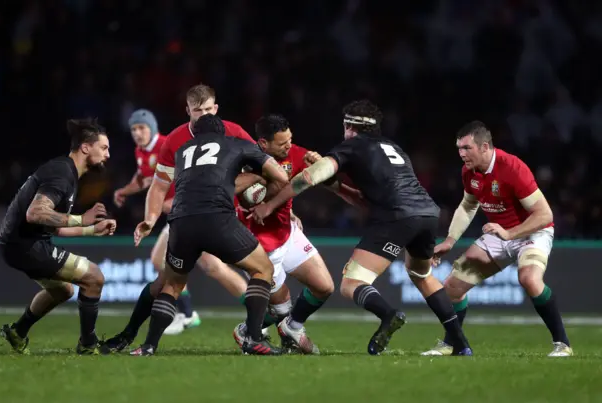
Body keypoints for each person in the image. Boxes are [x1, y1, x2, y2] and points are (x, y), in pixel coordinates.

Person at [250, 100, 472, 356]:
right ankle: (461, 344)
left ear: (349, 126)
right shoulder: (394, 148)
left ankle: (388, 315)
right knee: (422, 276)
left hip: (396, 217)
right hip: (428, 213)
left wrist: (271, 206)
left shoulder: (351, 147)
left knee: (352, 283)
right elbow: (363, 195)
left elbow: (308, 178)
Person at [103, 84, 259, 352]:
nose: (205, 115)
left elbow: (263, 166)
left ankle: (251, 321)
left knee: (209, 270)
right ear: (188, 111)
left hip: (217, 214)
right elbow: (157, 185)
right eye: (199, 111)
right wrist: (150, 218)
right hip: (185, 216)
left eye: (209, 109)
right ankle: (176, 322)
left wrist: (263, 198)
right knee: (180, 274)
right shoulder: (174, 140)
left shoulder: (233, 132)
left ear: (217, 109)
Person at [132, 114, 290, 356]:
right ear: (222, 133)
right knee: (263, 269)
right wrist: (258, 178)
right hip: (217, 219)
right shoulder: (234, 143)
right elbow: (280, 176)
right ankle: (254, 338)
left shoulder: (182, 151)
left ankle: (148, 346)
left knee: (172, 284)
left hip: (181, 222)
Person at [420, 120, 572, 357]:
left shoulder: (512, 167)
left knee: (529, 279)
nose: (461, 154)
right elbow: (468, 205)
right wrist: (450, 240)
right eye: (459, 148)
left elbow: (544, 215)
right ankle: (454, 344)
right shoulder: (468, 172)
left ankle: (562, 344)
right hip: (500, 233)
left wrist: (510, 234)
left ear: (484, 147)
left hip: (532, 231)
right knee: (453, 286)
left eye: (466, 148)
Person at [0, 118, 116, 355]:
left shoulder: (67, 173)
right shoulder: (62, 174)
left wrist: (93, 230)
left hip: (21, 243)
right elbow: (36, 213)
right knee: (94, 277)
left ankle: (18, 332)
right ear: (85, 147)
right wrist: (83, 219)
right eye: (104, 148)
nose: (108, 154)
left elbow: (57, 227)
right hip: (25, 245)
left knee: (64, 291)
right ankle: (88, 343)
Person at [233, 114, 334, 354]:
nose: (289, 145)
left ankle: (291, 328)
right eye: (282, 143)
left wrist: (320, 163)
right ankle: (249, 331)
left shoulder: (296, 154)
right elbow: (229, 188)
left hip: (288, 234)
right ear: (263, 144)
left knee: (325, 287)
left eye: (290, 139)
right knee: (280, 308)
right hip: (259, 245)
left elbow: (326, 174)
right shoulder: (243, 160)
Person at [113, 108, 200, 335]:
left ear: (152, 127)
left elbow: (189, 173)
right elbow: (143, 178)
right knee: (161, 261)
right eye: (133, 129)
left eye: (141, 128)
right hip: (177, 215)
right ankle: (188, 313)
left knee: (168, 261)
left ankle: (188, 313)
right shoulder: (141, 151)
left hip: (187, 210)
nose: (137, 133)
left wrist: (178, 200)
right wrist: (125, 191)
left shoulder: (165, 144)